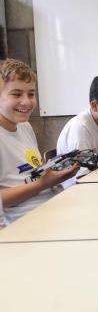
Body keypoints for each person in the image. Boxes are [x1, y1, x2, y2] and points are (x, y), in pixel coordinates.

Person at [0, 58, 78, 224]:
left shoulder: (24, 126)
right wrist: (43, 184)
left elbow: (31, 175)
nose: (27, 101)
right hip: (26, 223)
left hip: (51, 208)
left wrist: (54, 174)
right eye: (16, 94)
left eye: (31, 94)